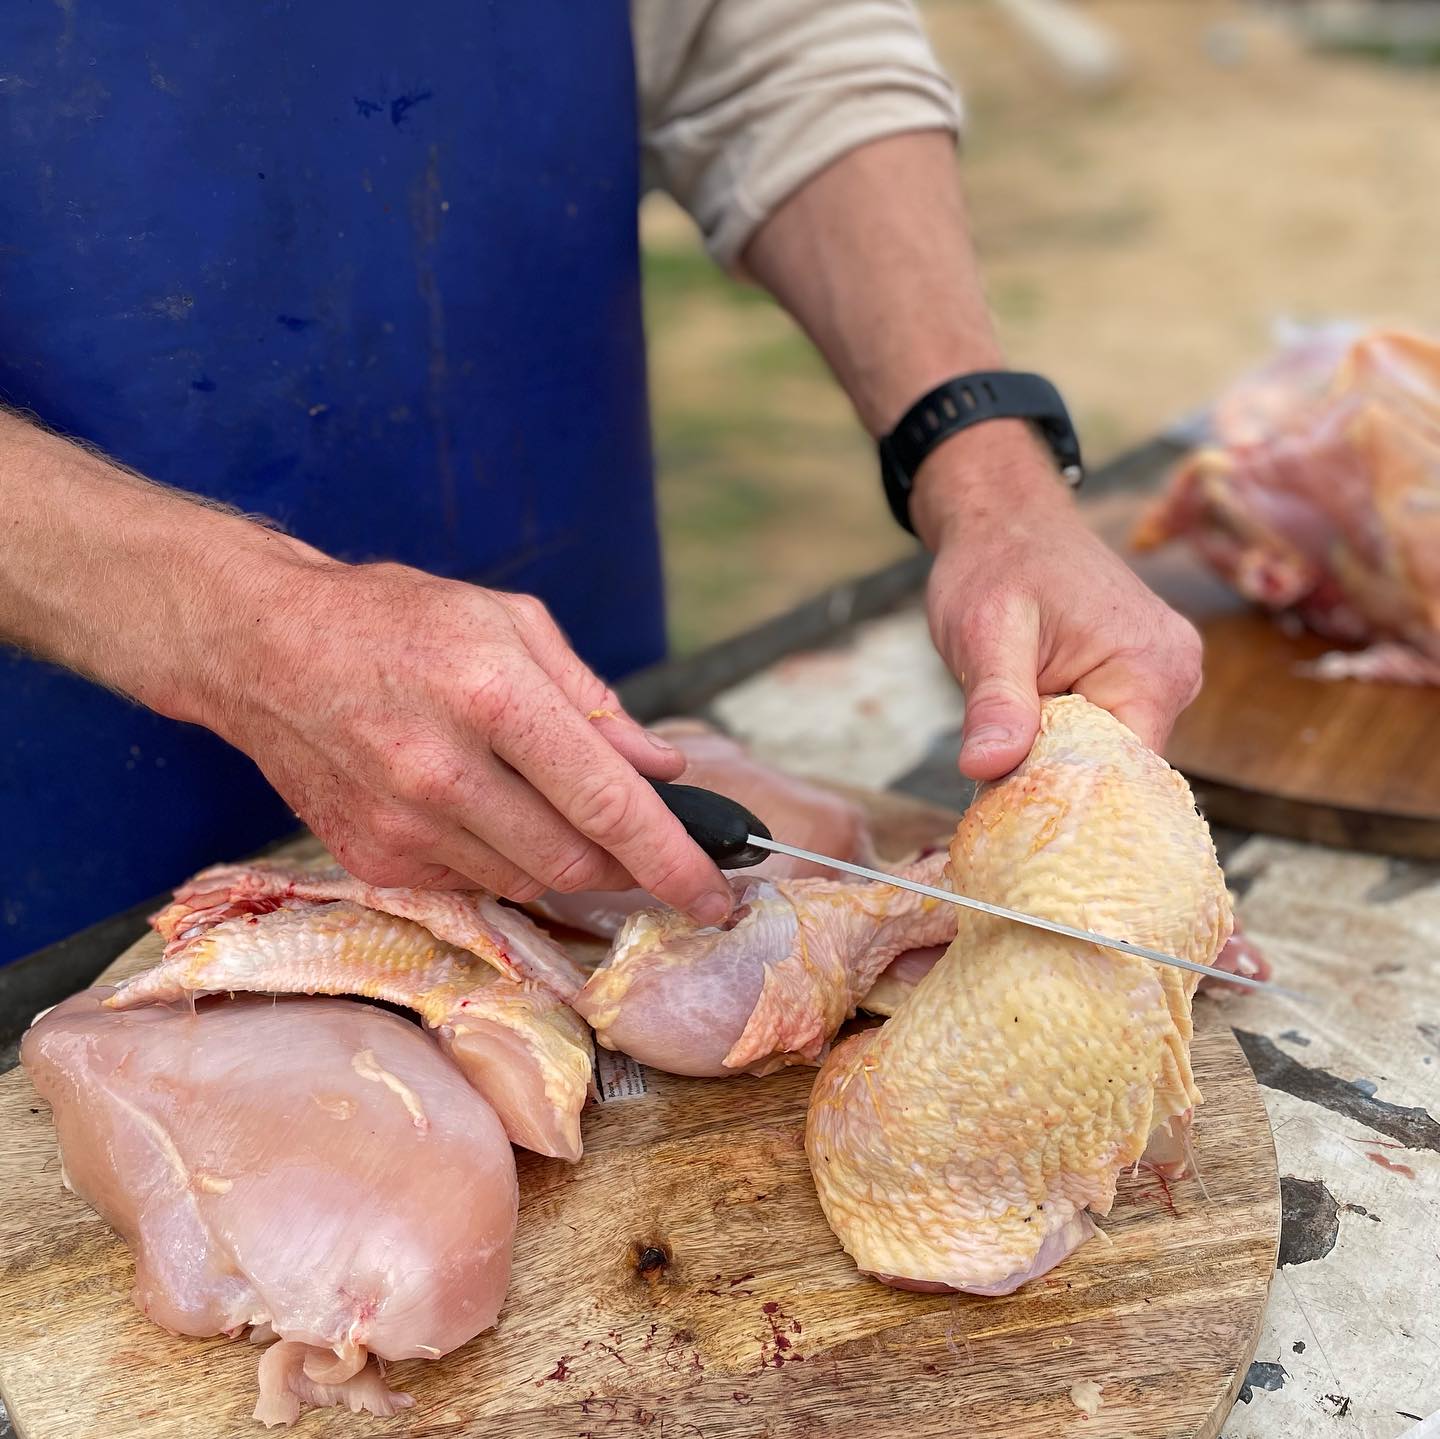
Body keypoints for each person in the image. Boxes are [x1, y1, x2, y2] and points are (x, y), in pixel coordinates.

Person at [0, 1, 1200, 964]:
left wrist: (988, 472)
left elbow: (771, 39)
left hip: (569, 667)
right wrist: (248, 625)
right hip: (47, 801)